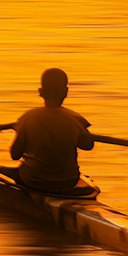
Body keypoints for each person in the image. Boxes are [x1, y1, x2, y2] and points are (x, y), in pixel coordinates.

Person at [10, 67, 100, 199]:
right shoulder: (76, 119)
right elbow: (88, 145)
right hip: (68, 182)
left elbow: (15, 154)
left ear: (41, 92)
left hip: (33, 180)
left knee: (15, 172)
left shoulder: (28, 117)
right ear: (66, 92)